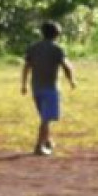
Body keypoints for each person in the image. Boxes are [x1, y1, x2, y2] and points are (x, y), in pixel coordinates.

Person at [19, 20, 76, 157]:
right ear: (57, 34)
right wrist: (72, 81)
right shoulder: (57, 49)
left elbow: (27, 66)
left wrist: (24, 84)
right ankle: (39, 146)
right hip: (51, 88)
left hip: (36, 88)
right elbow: (66, 66)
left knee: (45, 116)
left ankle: (48, 140)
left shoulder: (33, 48)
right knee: (47, 118)